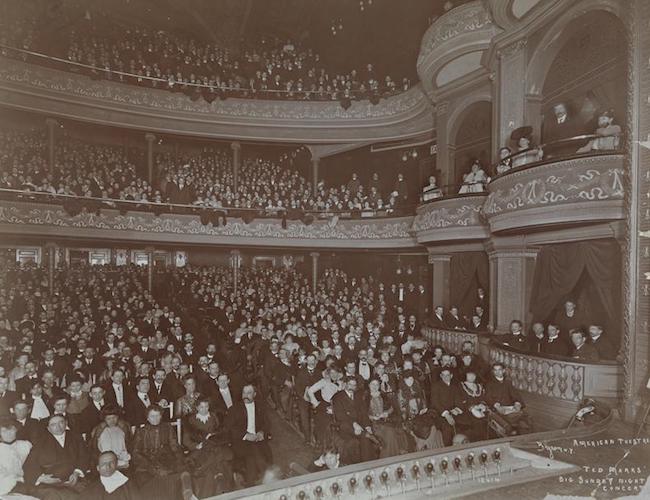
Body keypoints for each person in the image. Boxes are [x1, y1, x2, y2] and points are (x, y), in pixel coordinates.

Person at [131, 405, 192, 500]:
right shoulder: (141, 432)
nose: (155, 419)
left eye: (157, 415)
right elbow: (136, 453)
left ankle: (183, 492)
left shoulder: (167, 427)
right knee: (150, 481)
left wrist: (179, 461)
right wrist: (151, 467)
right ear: (147, 418)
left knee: (181, 471)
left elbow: (175, 446)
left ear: (161, 416)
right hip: (147, 464)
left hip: (166, 460)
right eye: (152, 416)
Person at [23, 414, 90, 499]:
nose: (58, 427)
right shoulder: (40, 442)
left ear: (66, 423)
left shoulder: (76, 437)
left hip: (75, 481)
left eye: (61, 422)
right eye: (53, 425)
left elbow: (84, 456)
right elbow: (29, 465)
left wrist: (77, 472)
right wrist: (41, 478)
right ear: (48, 428)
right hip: (51, 485)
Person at [182, 398, 233, 496]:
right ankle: (217, 484)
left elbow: (221, 433)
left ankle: (213, 490)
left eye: (206, 407)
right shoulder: (191, 420)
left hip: (214, 446)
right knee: (213, 462)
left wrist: (213, 437)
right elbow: (186, 440)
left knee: (218, 456)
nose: (204, 409)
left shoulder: (214, 417)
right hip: (199, 450)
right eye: (201, 407)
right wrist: (196, 446)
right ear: (197, 408)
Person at [225, 384, 272, 487]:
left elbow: (267, 423)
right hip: (241, 441)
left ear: (255, 394)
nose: (245, 395)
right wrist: (246, 435)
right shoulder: (234, 409)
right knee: (253, 454)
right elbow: (230, 428)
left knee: (256, 455)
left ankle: (251, 484)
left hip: (258, 439)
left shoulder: (261, 406)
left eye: (249, 393)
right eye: (244, 393)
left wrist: (262, 432)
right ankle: (267, 478)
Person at [331, 377, 378, 465]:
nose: (352, 387)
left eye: (354, 385)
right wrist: (354, 424)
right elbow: (340, 416)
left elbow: (364, 413)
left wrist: (367, 425)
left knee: (364, 437)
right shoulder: (338, 397)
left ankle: (368, 464)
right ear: (345, 384)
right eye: (350, 384)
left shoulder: (358, 396)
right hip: (344, 424)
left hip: (359, 425)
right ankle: (367, 463)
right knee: (364, 436)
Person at [485, 363, 532, 435]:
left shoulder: (508, 382)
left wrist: (517, 403)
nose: (497, 372)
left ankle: (522, 431)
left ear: (503, 371)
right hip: (497, 409)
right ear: (493, 372)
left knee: (525, 418)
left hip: (509, 408)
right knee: (515, 419)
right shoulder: (489, 384)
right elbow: (488, 398)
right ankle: (512, 429)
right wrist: (496, 405)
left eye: (499, 370)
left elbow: (515, 395)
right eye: (495, 370)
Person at [366, 378, 407, 458]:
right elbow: (362, 413)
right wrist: (373, 417)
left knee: (396, 429)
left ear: (379, 386)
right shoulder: (365, 397)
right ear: (369, 385)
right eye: (372, 384)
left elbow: (391, 408)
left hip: (385, 420)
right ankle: (388, 458)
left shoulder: (383, 395)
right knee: (390, 431)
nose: (374, 386)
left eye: (377, 385)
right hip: (373, 424)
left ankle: (398, 455)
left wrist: (386, 413)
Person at [79, 451, 144, 500]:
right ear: (98, 468)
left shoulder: (128, 484)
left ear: (116, 465)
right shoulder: (90, 489)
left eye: (111, 462)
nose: (107, 466)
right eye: (104, 464)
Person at [0, 417, 34, 498]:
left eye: (11, 429)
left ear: (16, 430)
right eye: (4, 431)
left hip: (29, 481)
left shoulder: (26, 445)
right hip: (7, 485)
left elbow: (34, 464)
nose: (9, 433)